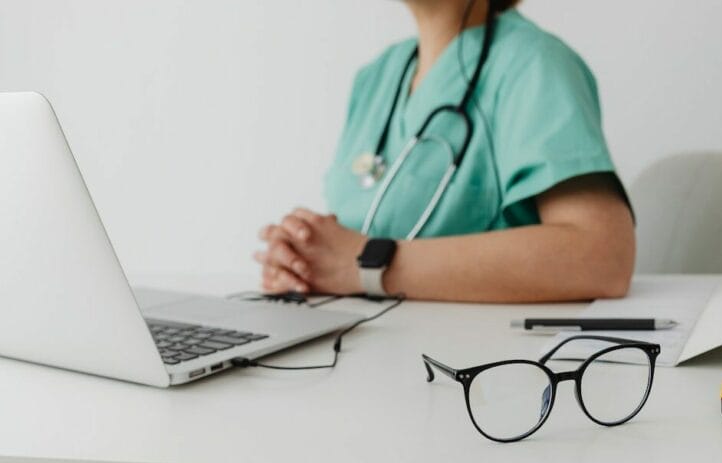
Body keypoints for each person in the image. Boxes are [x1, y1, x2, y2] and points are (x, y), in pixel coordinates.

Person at [255, 0, 635, 303]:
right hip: (362, 356)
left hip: (477, 375)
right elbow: (353, 238)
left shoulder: (534, 64)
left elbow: (602, 257)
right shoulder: (376, 76)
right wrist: (303, 261)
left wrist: (366, 264)